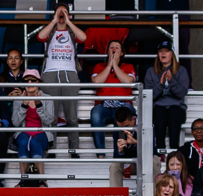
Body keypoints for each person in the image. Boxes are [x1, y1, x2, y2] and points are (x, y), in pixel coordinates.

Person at [37, 4, 86, 157]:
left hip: (70, 73)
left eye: (64, 12)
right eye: (59, 12)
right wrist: (54, 20)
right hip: (50, 73)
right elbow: (40, 37)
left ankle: (74, 149)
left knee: (71, 116)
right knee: (51, 116)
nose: (61, 14)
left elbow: (84, 38)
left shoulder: (72, 32)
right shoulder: (50, 31)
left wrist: (68, 21)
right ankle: (52, 148)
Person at [89, 40, 135, 159]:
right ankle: (100, 154)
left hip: (123, 104)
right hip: (104, 105)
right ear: (107, 51)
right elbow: (97, 82)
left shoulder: (128, 67)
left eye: (117, 48)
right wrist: (109, 65)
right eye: (111, 47)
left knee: (121, 116)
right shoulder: (99, 67)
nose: (114, 49)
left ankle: (118, 154)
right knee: (95, 114)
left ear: (121, 53)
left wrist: (115, 65)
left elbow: (128, 81)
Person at [145, 41, 188, 155]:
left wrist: (172, 81)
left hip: (176, 107)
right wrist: (160, 84)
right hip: (158, 107)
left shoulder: (181, 70)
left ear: (172, 54)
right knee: (159, 112)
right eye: (160, 51)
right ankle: (160, 152)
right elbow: (149, 96)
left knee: (174, 112)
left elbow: (181, 93)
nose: (163, 54)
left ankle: (174, 152)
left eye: (166, 51)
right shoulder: (151, 71)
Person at [10, 69, 53, 180]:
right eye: (26, 81)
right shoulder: (19, 100)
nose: (29, 83)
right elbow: (15, 123)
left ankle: (42, 179)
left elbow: (49, 121)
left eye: (32, 80)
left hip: (42, 132)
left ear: (38, 82)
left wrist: (39, 106)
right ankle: (23, 178)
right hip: (24, 132)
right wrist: (24, 106)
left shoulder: (47, 99)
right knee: (24, 142)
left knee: (35, 142)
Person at [109, 107, 138, 188]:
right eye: (121, 127)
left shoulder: (145, 125)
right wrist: (120, 150)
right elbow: (117, 157)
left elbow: (152, 151)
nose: (124, 129)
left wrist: (136, 142)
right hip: (129, 163)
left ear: (133, 119)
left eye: (127, 126)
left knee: (153, 161)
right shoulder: (117, 129)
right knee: (115, 166)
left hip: (144, 162)